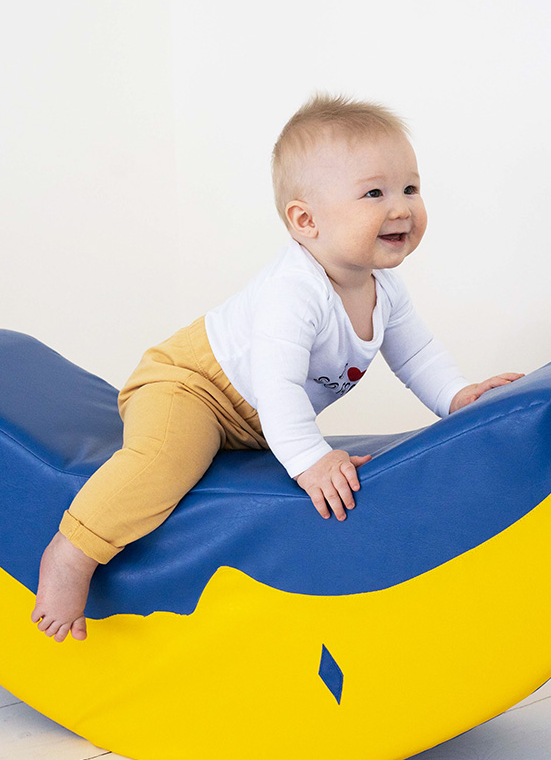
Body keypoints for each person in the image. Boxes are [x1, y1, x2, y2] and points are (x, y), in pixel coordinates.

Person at [31, 92, 523, 642]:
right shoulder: (295, 289)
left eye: (410, 188)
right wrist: (311, 459)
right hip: (192, 387)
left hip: (253, 422)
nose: (402, 208)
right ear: (305, 220)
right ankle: (72, 553)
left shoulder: (385, 287)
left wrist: (456, 396)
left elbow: (417, 355)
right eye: (374, 193)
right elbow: (277, 382)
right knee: (164, 459)